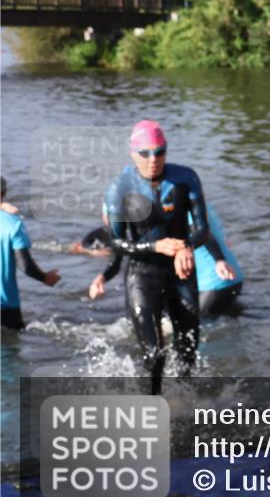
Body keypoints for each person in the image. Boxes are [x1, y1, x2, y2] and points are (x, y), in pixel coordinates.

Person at [103, 120, 234, 394]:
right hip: (142, 274)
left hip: (181, 273)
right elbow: (115, 242)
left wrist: (186, 246)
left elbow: (203, 229)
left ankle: (185, 405)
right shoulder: (120, 187)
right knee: (154, 355)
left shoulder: (186, 178)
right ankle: (151, 409)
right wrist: (153, 247)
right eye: (146, 153)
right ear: (133, 154)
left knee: (188, 351)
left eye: (160, 152)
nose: (154, 160)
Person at [87, 203, 243, 316]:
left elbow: (203, 235)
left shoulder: (172, 209)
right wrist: (102, 278)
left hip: (213, 285)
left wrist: (218, 260)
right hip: (234, 279)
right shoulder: (199, 203)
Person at [1, 177, 61, 329]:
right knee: (9, 350)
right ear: (4, 192)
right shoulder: (13, 224)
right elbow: (25, 266)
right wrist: (45, 278)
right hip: (6, 307)